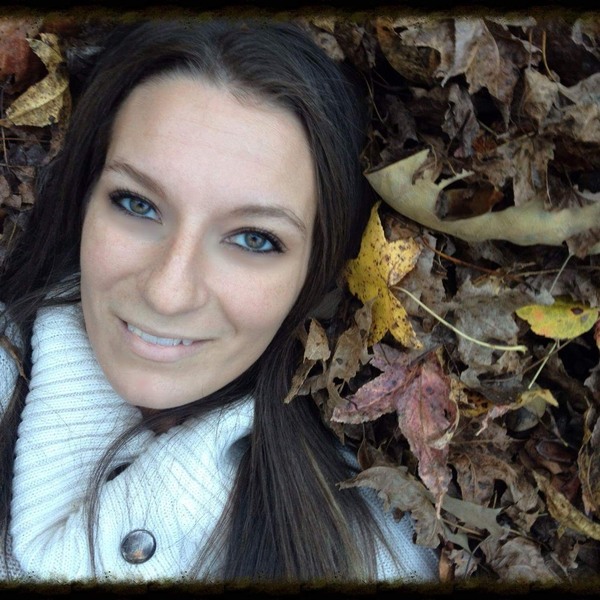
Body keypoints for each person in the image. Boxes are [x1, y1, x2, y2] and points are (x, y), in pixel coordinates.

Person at [0, 18, 439, 583]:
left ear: (321, 272)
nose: (168, 292)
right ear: (84, 196)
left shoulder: (378, 552)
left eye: (254, 239)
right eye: (137, 204)